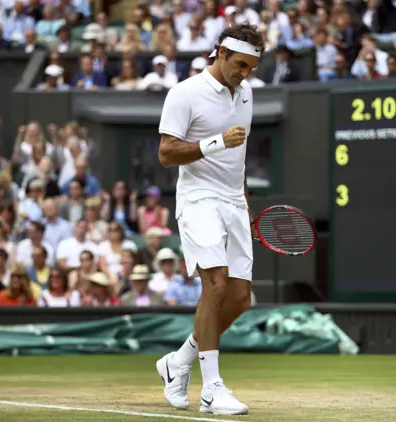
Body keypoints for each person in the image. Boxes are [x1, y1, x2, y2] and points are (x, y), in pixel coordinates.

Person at [155, 23, 262, 416]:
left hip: (234, 202)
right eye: (240, 64)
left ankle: (179, 361)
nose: (245, 73)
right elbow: (166, 153)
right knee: (215, 285)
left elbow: (240, 162)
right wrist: (215, 142)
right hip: (198, 198)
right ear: (220, 53)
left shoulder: (247, 93)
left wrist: (245, 206)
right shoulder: (184, 93)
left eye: (251, 67)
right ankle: (212, 390)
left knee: (239, 299)